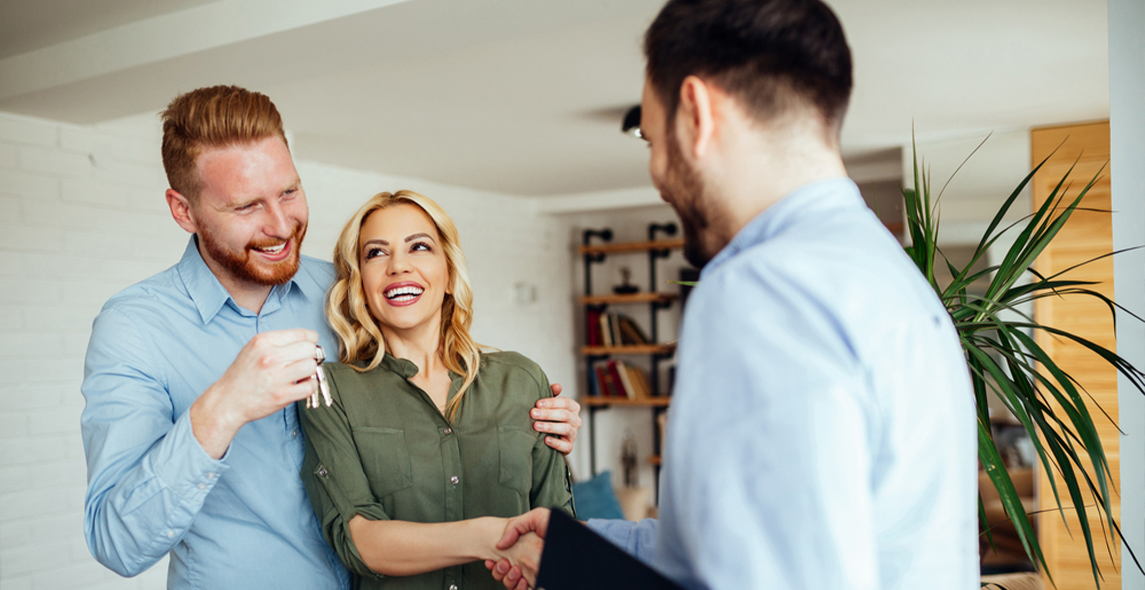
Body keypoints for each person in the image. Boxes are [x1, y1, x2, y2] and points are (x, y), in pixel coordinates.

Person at [489, 0, 978, 588]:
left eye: (651, 138)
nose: (659, 176)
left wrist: (577, 575)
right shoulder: (889, 276)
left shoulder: (763, 290)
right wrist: (578, 545)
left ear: (695, 112)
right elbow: (731, 549)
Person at [80, 86, 582, 590]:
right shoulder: (135, 329)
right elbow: (117, 542)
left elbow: (440, 371)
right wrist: (225, 406)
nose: (280, 225)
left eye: (289, 192)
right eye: (246, 206)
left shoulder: (344, 293)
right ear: (184, 211)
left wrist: (535, 420)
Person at [297, 190, 574, 590]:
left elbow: (556, 530)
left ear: (448, 272)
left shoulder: (521, 379)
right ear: (360, 283)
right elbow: (361, 542)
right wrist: (492, 539)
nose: (398, 266)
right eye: (376, 253)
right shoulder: (330, 391)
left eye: (419, 247)